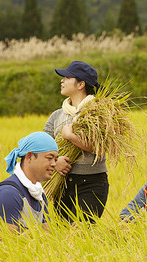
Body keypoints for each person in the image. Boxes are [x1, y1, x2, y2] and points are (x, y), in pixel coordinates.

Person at [43, 60, 109, 223]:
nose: (62, 80)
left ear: (81, 84)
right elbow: (43, 147)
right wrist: (55, 161)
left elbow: (100, 147)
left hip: (91, 184)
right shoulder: (57, 115)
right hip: (62, 184)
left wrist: (71, 137)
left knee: (81, 234)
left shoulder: (98, 113)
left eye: (67, 77)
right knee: (64, 238)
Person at [0, 132, 58, 243]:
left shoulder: (39, 194)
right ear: (29, 156)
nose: (54, 164)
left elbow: (47, 239)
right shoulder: (9, 194)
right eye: (49, 158)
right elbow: (5, 246)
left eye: (56, 159)